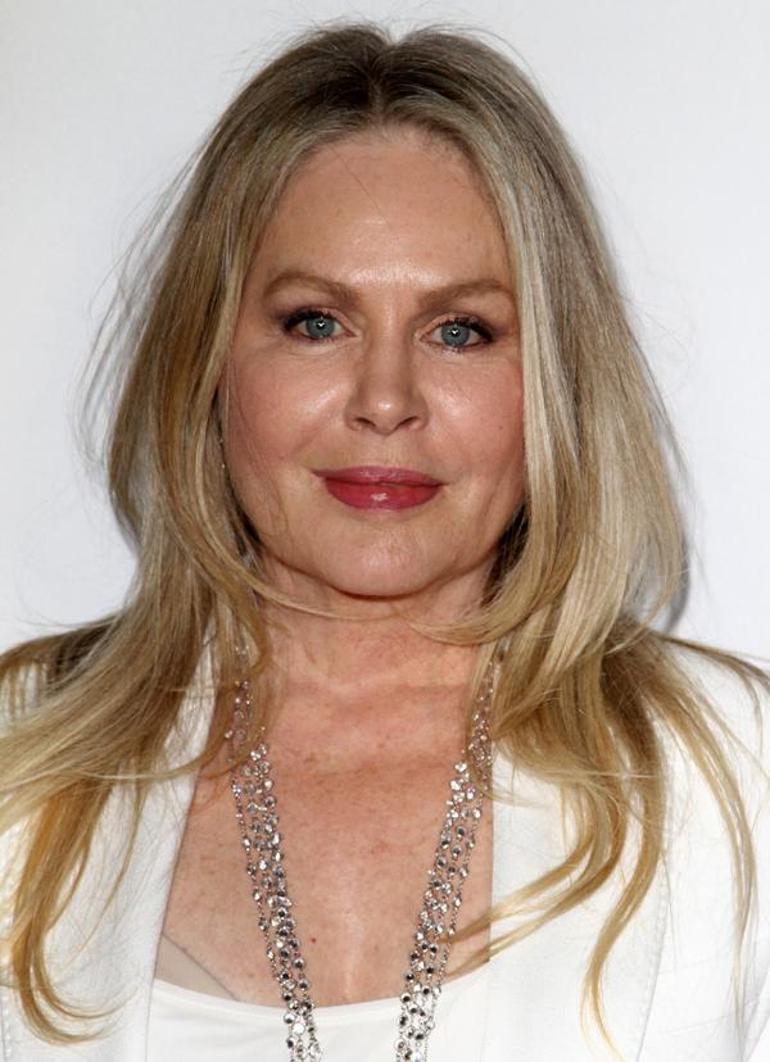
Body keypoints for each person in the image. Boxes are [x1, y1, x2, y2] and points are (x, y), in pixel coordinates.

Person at [0, 19, 768, 1062]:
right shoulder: (22, 761)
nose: (386, 399)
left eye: (460, 331)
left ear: (551, 381)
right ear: (207, 362)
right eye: (316, 321)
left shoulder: (736, 774)